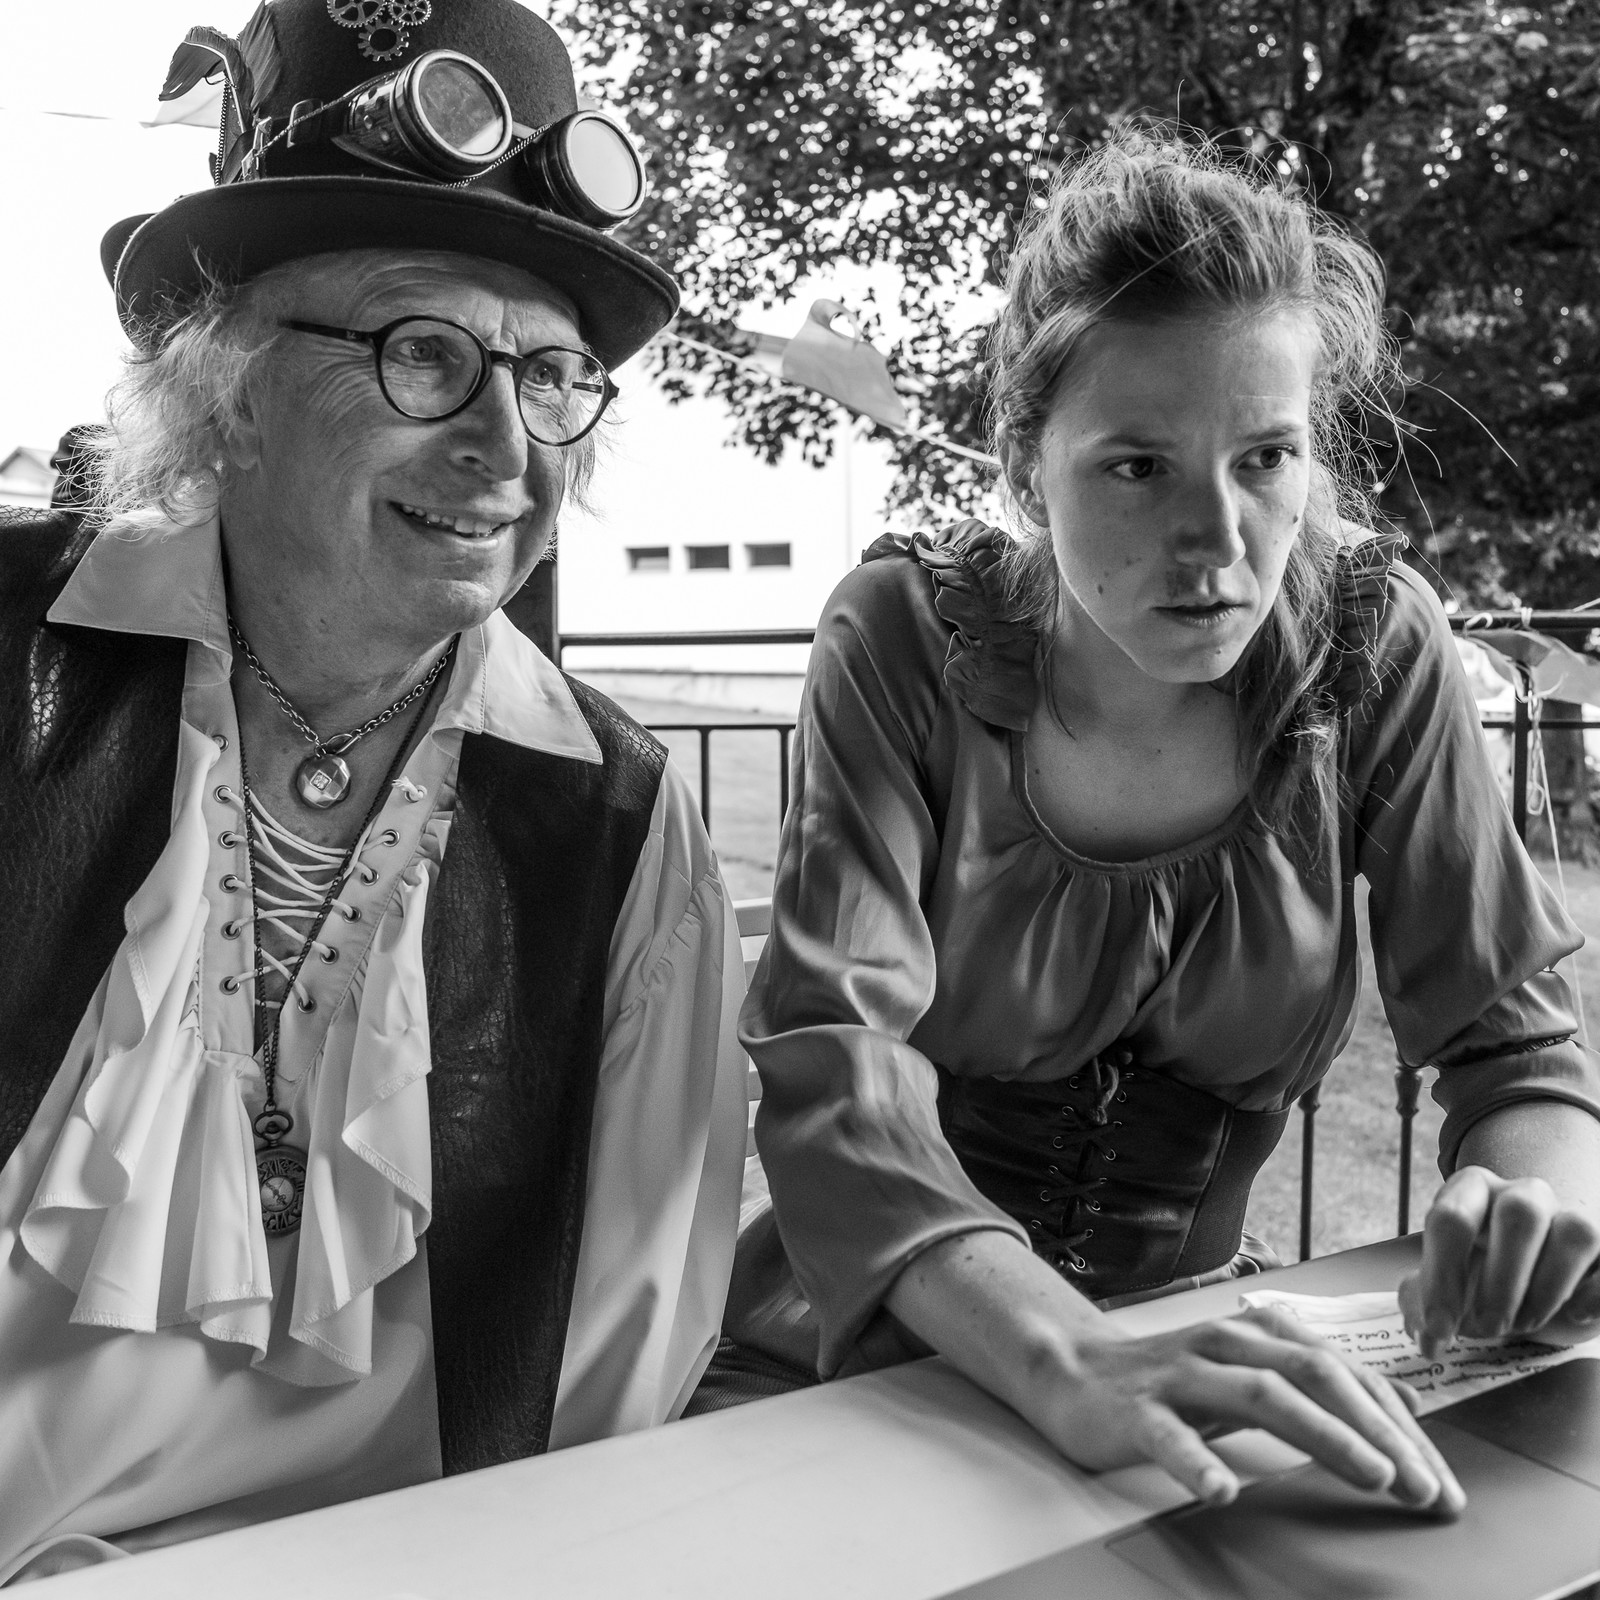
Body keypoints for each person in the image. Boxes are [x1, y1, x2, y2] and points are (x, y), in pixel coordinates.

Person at [723, 132, 1600, 1513]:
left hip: (1201, 1363)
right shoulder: (905, 639)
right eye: (1137, 466)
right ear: (1028, 463)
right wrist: (1073, 1356)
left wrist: (1538, 1201)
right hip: (858, 1361)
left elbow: (1517, 1053)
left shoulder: (1374, 650)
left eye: (1266, 458)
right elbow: (836, 1069)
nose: (1220, 540)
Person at [0, 0, 746, 1580]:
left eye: (552, 378)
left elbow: (624, 1347)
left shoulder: (616, 823)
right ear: (227, 381)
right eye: (425, 355)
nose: (504, 447)